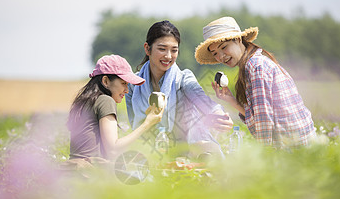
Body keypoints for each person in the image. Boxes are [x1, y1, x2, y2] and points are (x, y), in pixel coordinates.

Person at [195, 16, 315, 148]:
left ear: (238, 39)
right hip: (297, 145)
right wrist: (230, 99)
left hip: (295, 148)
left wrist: (263, 158)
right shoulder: (253, 63)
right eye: (215, 53)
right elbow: (259, 115)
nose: (221, 56)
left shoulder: (256, 67)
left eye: (224, 47)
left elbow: (264, 122)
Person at [125, 20, 233, 156]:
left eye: (174, 50)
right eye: (162, 49)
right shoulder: (133, 85)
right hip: (152, 153)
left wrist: (218, 114)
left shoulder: (183, 78)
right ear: (147, 48)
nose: (168, 56)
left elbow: (200, 98)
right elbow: (134, 126)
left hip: (189, 152)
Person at [67, 54, 163, 165]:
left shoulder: (85, 102)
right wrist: (147, 124)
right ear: (106, 81)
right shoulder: (105, 100)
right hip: (91, 173)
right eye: (123, 83)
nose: (127, 90)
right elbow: (113, 150)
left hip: (75, 171)